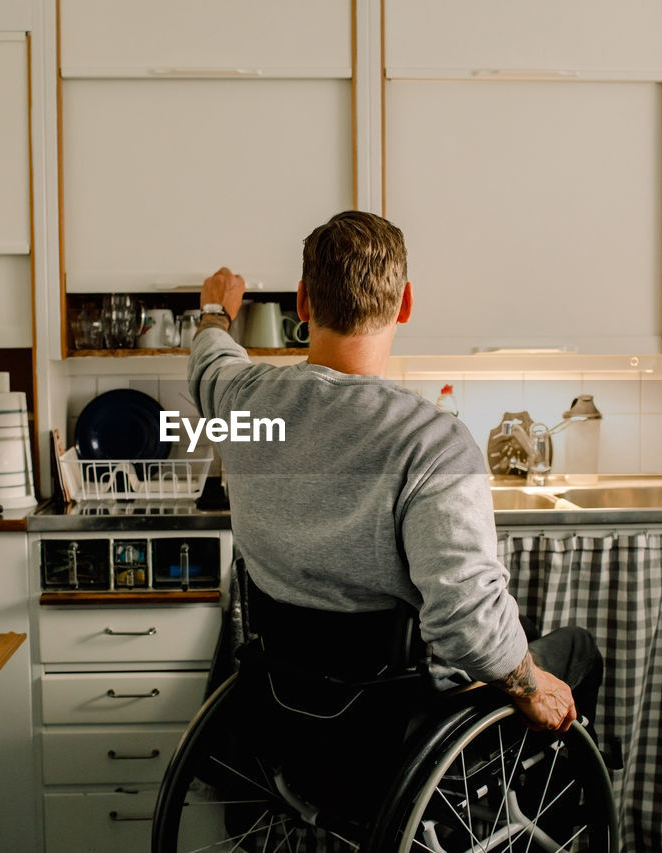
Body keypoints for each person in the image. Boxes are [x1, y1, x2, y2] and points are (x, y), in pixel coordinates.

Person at [188, 210, 600, 733]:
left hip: (284, 713)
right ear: (405, 304)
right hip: (388, 732)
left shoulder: (245, 405)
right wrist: (530, 684)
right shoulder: (432, 443)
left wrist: (215, 310)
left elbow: (208, 361)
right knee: (576, 650)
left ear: (303, 301)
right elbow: (467, 624)